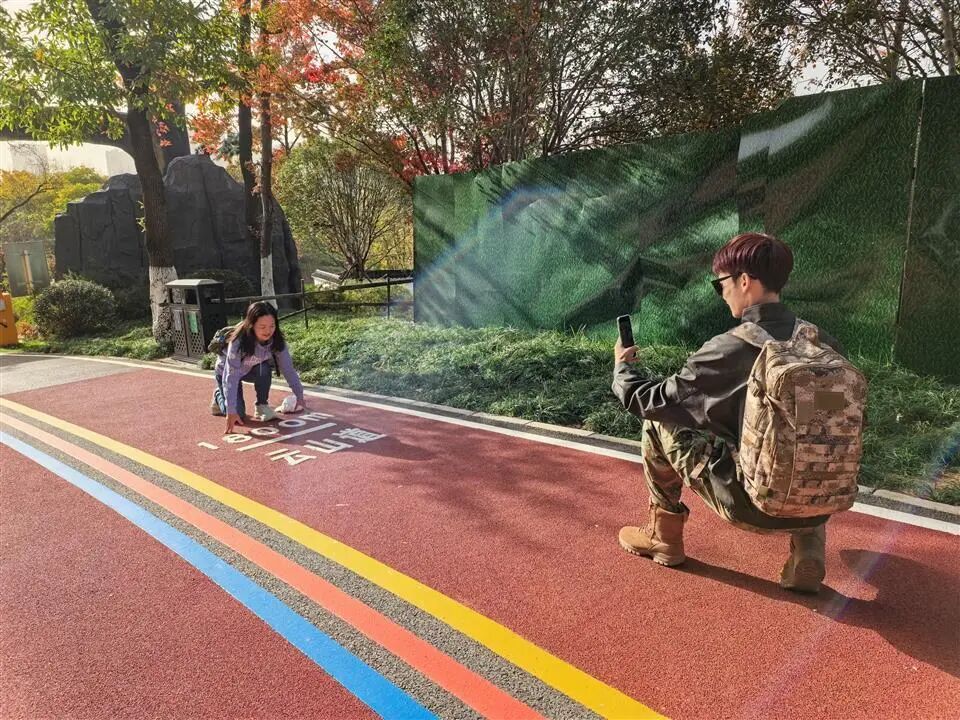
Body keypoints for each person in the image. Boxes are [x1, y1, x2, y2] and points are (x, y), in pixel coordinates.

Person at [612, 232, 847, 594]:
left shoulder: (729, 349)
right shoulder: (823, 344)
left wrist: (622, 368)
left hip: (751, 504)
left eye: (720, 283)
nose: (721, 293)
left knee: (658, 423)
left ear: (744, 281)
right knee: (809, 442)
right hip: (819, 504)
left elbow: (651, 401)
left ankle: (663, 537)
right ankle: (808, 549)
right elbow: (832, 416)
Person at [211, 300, 307, 433]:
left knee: (265, 368)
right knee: (238, 414)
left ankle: (261, 405)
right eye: (262, 327)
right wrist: (231, 410)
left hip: (250, 369)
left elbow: (288, 369)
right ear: (252, 325)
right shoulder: (238, 342)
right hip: (226, 372)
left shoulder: (277, 340)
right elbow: (230, 377)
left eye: (272, 326)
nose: (268, 331)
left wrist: (299, 396)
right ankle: (218, 396)